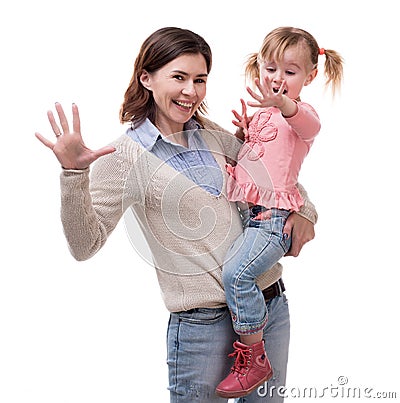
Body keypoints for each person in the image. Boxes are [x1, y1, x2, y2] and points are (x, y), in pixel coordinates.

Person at [35, 27, 318, 402]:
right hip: (204, 327)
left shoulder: (212, 134)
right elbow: (84, 246)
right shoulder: (124, 157)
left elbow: (275, 176)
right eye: (179, 77)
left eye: (200, 80)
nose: (191, 91)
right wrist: (74, 174)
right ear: (146, 78)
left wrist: (307, 213)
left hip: (268, 306)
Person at [215, 27, 344, 399]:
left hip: (272, 221)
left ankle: (254, 356)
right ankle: (251, 351)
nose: (277, 79)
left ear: (310, 76)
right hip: (250, 217)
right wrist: (243, 133)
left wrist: (284, 105)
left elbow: (305, 123)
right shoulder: (261, 116)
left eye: (290, 72)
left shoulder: (301, 117)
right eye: (270, 68)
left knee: (237, 275)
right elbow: (257, 160)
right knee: (236, 271)